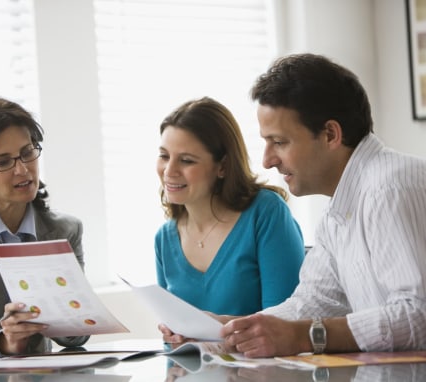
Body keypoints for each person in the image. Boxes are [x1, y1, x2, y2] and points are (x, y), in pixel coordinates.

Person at [164, 54, 426, 357]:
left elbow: (418, 314)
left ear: (330, 134)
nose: (267, 160)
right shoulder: (337, 212)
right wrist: (225, 330)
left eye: (279, 142)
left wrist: (305, 336)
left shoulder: (388, 187)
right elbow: (310, 304)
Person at [155, 96, 305, 320]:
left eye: (186, 160)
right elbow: (174, 343)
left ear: (223, 166)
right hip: (190, 357)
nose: (169, 171)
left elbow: (286, 323)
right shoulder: (164, 239)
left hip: (262, 356)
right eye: (164, 156)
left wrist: (218, 327)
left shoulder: (265, 213)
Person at [0, 97, 89, 358]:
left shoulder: (66, 230)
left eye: (27, 153)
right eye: (4, 162)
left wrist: (74, 314)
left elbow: (75, 336)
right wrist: (1, 341)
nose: (23, 169)